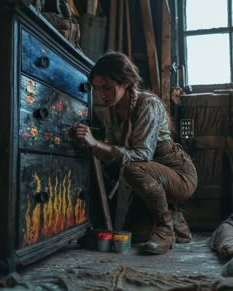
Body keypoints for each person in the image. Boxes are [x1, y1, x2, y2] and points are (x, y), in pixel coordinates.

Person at [75, 51, 198, 255]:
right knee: (137, 235)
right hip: (151, 177)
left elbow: (141, 156)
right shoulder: (113, 111)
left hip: (180, 175)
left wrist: (96, 143)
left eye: (107, 88)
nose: (102, 95)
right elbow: (112, 155)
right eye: (98, 89)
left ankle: (166, 230)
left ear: (124, 82)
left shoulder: (147, 103)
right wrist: (90, 146)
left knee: (133, 169)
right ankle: (176, 221)